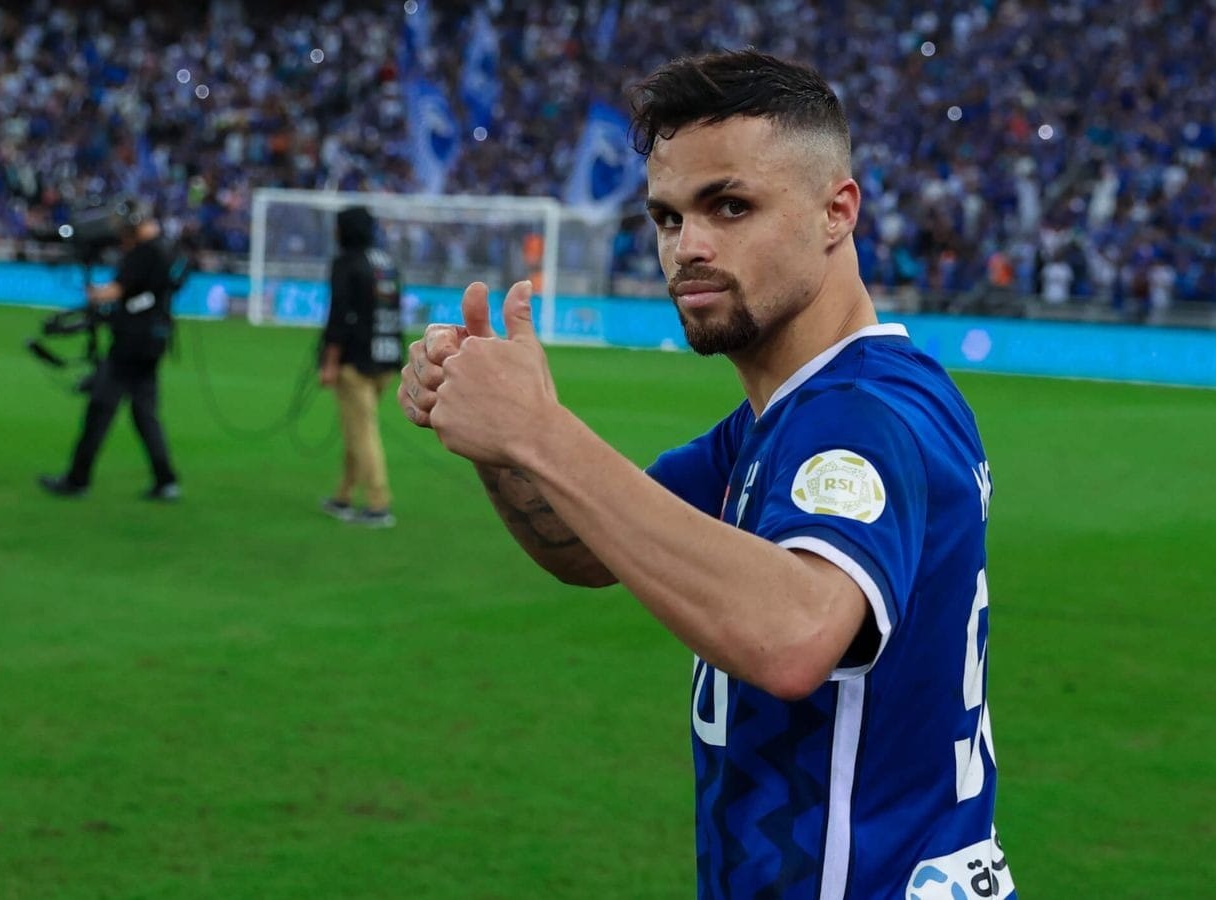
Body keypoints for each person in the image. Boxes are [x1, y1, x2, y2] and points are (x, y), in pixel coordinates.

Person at [400, 51, 1013, 898]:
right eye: (667, 217)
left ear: (837, 212)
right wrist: (499, 441)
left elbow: (793, 637)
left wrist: (541, 431)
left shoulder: (860, 416)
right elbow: (589, 547)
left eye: (731, 206)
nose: (688, 247)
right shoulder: (786, 418)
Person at [39, 201, 181, 501]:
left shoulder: (143, 253)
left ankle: (77, 480)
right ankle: (166, 480)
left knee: (100, 409)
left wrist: (95, 294)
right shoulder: (167, 250)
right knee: (145, 414)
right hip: (153, 342)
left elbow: (117, 290)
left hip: (130, 345)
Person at [318, 205, 403, 528]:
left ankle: (378, 504)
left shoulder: (346, 263)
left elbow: (339, 315)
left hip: (355, 362)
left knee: (363, 432)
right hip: (387, 358)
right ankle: (343, 495)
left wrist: (329, 362)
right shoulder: (386, 263)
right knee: (357, 430)